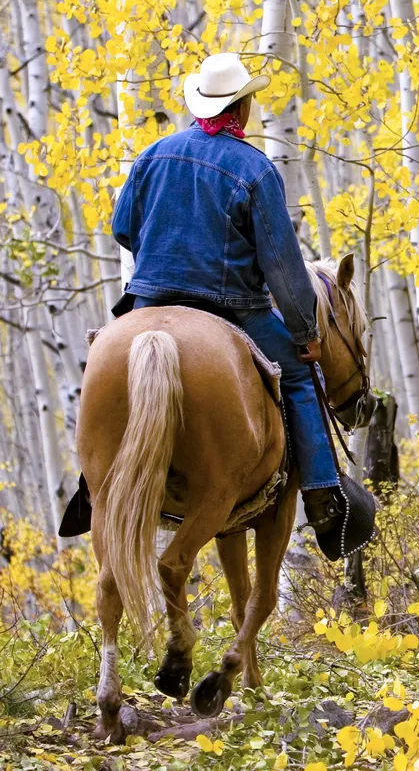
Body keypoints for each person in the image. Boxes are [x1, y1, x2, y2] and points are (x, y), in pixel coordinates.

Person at [105, 53, 344, 550]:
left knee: (103, 368)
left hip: (147, 299)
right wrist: (306, 334)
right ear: (244, 107)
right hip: (232, 307)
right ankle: (323, 493)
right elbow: (281, 265)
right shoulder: (254, 169)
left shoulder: (153, 154)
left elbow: (122, 228)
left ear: (200, 105)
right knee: (301, 376)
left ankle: (94, 486)